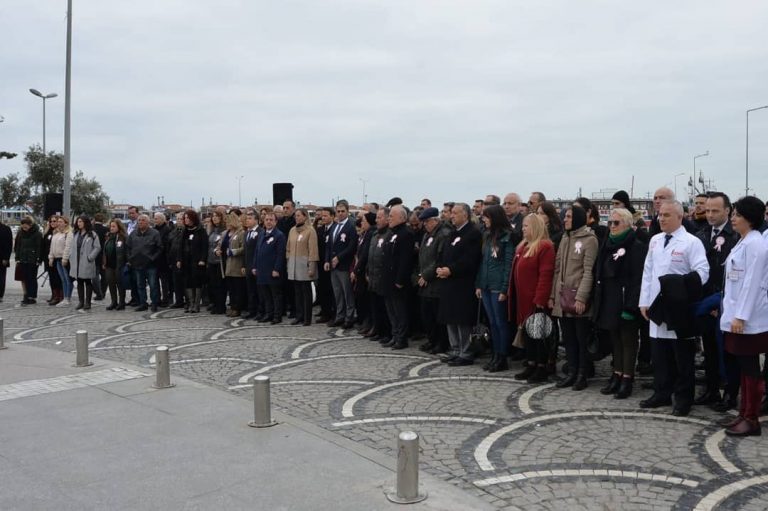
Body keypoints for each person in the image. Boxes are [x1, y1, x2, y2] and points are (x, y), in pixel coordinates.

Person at [639, 200, 709, 416]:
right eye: (660, 215)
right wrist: (644, 300)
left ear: (680, 217)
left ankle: (683, 398)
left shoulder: (691, 242)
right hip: (656, 306)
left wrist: (681, 286)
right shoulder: (655, 240)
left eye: (667, 215)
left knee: (682, 358)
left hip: (678, 307)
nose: (661, 219)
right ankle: (661, 392)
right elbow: (648, 271)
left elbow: (703, 272)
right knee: (659, 355)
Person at [719, 196, 768, 436]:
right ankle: (743, 411)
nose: (733, 218)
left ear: (748, 218)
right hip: (736, 315)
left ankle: (752, 418)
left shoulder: (756, 245)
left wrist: (741, 316)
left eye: (737, 215)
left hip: (748, 319)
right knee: (742, 366)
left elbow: (752, 283)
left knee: (750, 369)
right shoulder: (743, 242)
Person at [593, 208, 647, 399]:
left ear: (627, 224)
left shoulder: (636, 246)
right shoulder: (608, 244)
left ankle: (627, 378)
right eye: (610, 223)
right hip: (610, 299)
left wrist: (631, 306)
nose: (612, 226)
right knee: (615, 339)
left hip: (626, 301)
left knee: (628, 341)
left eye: (616, 223)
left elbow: (638, 278)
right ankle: (616, 374)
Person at [694, 192, 739, 408]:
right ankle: (711, 389)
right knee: (709, 349)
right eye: (708, 210)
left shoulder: (736, 236)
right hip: (705, 302)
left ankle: (730, 393)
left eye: (715, 211)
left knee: (729, 352)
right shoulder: (702, 234)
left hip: (725, 302)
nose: (710, 215)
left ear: (727, 211)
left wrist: (721, 303)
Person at [550, 206, 599, 390]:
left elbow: (588, 272)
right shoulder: (565, 237)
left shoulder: (589, 240)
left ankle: (582, 374)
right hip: (563, 298)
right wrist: (552, 296)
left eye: (569, 217)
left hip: (577, 298)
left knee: (581, 339)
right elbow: (557, 269)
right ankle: (571, 372)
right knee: (569, 338)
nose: (565, 220)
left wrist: (582, 297)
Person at [510, 214, 556, 381]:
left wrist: (540, 299)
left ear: (536, 227)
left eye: (526, 226)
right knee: (527, 334)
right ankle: (531, 364)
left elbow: (546, 275)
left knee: (538, 335)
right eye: (523, 226)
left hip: (535, 299)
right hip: (522, 298)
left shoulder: (545, 246)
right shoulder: (523, 246)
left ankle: (541, 367)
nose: (523, 229)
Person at [437, 203, 482, 366]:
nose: (452, 216)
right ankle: (455, 349)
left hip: (463, 283)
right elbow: (444, 254)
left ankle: (466, 351)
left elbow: (470, 260)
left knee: (462, 319)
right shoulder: (452, 233)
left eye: (456, 213)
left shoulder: (473, 233)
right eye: (452, 213)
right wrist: (441, 268)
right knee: (450, 317)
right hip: (448, 283)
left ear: (465, 215)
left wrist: (451, 269)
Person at [475, 205, 514, 372]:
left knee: (500, 323)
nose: (484, 220)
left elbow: (508, 265)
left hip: (498, 286)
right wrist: (479, 283)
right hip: (486, 285)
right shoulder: (488, 236)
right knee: (492, 323)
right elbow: (483, 262)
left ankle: (502, 356)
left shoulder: (507, 237)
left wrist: (505, 289)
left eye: (487, 217)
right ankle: (495, 354)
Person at [416, 207, 451, 354]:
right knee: (427, 316)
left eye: (427, 221)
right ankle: (432, 340)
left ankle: (441, 343)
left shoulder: (443, 234)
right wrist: (420, 275)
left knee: (438, 317)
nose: (425, 224)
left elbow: (439, 259)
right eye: (424, 222)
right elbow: (423, 257)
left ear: (435, 220)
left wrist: (426, 275)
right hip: (425, 283)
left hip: (436, 282)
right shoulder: (427, 235)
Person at [380, 205, 415, 349]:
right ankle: (395, 335)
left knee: (399, 311)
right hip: (388, 278)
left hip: (398, 280)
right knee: (391, 310)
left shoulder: (406, 234)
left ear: (401, 218)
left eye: (391, 216)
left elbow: (405, 260)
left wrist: (400, 280)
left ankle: (401, 338)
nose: (389, 218)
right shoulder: (391, 233)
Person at [325, 200, 358, 329]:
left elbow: (351, 246)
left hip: (344, 265)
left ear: (347, 211)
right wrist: (327, 260)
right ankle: (340, 315)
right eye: (338, 211)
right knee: (337, 292)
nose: (340, 214)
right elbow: (329, 245)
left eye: (343, 211)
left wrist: (339, 257)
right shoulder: (334, 226)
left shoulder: (351, 226)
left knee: (347, 292)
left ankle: (349, 317)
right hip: (333, 266)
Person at [286, 208, 318, 326]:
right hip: (294, 265)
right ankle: (299, 315)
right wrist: (288, 262)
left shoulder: (310, 231)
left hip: (305, 266)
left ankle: (307, 317)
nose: (297, 218)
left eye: (299, 215)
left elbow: (313, 250)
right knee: (297, 292)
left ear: (305, 217)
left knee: (306, 292)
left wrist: (312, 266)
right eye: (296, 216)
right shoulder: (292, 230)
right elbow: (288, 248)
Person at [254, 211, 286, 323]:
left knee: (275, 295)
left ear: (276, 222)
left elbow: (280, 254)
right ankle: (268, 314)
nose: (268, 222)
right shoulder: (261, 234)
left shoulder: (279, 235)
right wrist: (255, 266)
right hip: (262, 270)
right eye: (267, 219)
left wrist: (276, 269)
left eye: (271, 220)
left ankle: (277, 316)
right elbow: (257, 251)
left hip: (272, 270)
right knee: (265, 295)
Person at [127, 214, 162, 312]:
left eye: (143, 220)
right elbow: (128, 247)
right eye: (139, 220)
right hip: (137, 264)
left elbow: (159, 248)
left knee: (153, 285)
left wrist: (153, 258)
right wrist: (130, 258)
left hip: (151, 265)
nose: (140, 222)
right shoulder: (133, 233)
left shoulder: (155, 233)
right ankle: (143, 303)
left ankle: (154, 303)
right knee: (140, 285)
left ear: (148, 222)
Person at [367, 208, 392, 344]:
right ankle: (379, 330)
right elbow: (370, 255)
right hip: (372, 276)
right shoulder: (375, 235)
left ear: (387, 218)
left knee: (384, 308)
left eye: (379, 217)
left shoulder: (389, 235)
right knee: (375, 306)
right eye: (376, 218)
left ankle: (387, 333)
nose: (376, 220)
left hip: (382, 277)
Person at [178, 209, 207, 313]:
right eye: (184, 218)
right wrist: (179, 259)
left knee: (197, 282)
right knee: (188, 282)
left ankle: (196, 304)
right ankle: (190, 302)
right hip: (186, 261)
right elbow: (180, 247)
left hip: (197, 260)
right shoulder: (184, 231)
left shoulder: (200, 230)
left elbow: (204, 246)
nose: (186, 220)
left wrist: (203, 259)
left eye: (187, 218)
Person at [69, 215, 101, 311]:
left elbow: (97, 247)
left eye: (81, 222)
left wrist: (90, 257)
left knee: (87, 281)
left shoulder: (92, 234)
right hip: (76, 261)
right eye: (78, 222)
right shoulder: (76, 233)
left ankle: (88, 302)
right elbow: (72, 246)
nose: (79, 223)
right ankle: (81, 302)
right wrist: (71, 256)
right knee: (79, 282)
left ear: (86, 222)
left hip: (86, 261)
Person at [351, 211, 376, 333]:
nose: (361, 223)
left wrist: (356, 270)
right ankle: (365, 322)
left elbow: (365, 254)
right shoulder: (365, 234)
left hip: (365, 272)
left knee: (366, 299)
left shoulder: (371, 234)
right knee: (361, 298)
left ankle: (369, 323)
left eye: (364, 221)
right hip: (360, 271)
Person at [219, 212, 246, 317]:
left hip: (236, 264)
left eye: (229, 221)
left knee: (237, 288)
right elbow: (221, 244)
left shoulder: (241, 233)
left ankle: (237, 308)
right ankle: (232, 306)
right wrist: (218, 250)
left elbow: (244, 248)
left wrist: (234, 251)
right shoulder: (226, 233)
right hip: (227, 264)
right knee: (231, 288)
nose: (227, 223)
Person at [15, 217, 42, 305]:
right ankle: (26, 295)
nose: (24, 228)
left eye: (25, 226)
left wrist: (38, 259)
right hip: (22, 259)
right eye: (22, 226)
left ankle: (32, 296)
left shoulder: (37, 234)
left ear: (30, 225)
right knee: (24, 278)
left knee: (32, 278)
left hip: (32, 259)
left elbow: (39, 247)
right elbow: (17, 246)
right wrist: (17, 257)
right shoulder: (20, 233)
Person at [315, 207, 335, 322]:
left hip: (331, 263)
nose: (323, 218)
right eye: (322, 216)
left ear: (332, 216)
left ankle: (332, 312)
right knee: (322, 288)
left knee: (331, 289)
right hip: (321, 263)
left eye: (326, 216)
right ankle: (324, 311)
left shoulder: (335, 228)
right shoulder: (320, 230)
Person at [103, 219, 128, 310]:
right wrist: (104, 262)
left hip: (119, 264)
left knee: (120, 284)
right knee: (111, 284)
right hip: (109, 265)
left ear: (119, 227)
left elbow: (126, 251)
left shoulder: (123, 237)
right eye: (111, 226)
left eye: (114, 226)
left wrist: (126, 262)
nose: (111, 228)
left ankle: (122, 302)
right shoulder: (108, 237)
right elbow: (105, 250)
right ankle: (114, 301)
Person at [49, 216, 74, 307]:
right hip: (57, 259)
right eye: (58, 222)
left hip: (64, 259)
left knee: (68, 279)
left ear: (66, 223)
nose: (58, 223)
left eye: (60, 221)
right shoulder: (56, 234)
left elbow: (68, 247)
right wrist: (51, 258)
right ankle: (65, 297)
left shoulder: (69, 233)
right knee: (63, 279)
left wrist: (65, 258)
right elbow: (52, 247)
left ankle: (68, 298)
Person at [206, 210, 227, 314]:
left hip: (220, 262)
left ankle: (221, 305)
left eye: (217, 216)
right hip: (211, 261)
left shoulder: (224, 230)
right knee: (212, 284)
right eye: (213, 216)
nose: (214, 218)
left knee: (220, 285)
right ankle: (214, 304)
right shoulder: (212, 230)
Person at [40, 215, 63, 305]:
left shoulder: (59, 233)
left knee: (58, 278)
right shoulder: (47, 232)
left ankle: (60, 296)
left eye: (54, 221)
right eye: (51, 221)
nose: (52, 223)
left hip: (56, 258)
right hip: (48, 259)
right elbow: (43, 246)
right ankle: (54, 295)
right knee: (52, 278)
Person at [243, 210, 261, 319]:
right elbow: (246, 251)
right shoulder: (246, 233)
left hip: (257, 266)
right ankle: (252, 310)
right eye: (247, 219)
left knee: (259, 291)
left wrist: (256, 266)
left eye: (250, 218)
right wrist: (244, 265)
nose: (247, 221)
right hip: (248, 265)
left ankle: (260, 310)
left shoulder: (260, 232)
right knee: (250, 290)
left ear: (256, 220)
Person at [153, 212, 172, 307]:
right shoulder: (153, 229)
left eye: (156, 218)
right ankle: (156, 299)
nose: (154, 220)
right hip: (154, 260)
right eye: (154, 218)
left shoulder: (167, 229)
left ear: (162, 219)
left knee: (164, 282)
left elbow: (165, 244)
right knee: (155, 281)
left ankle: (166, 299)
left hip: (164, 259)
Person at [91, 213, 108, 300]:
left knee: (95, 276)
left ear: (94, 219)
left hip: (94, 255)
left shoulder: (91, 229)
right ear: (103, 220)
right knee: (104, 276)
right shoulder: (106, 229)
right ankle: (103, 292)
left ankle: (98, 293)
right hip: (104, 255)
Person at [0, 217, 10, 303]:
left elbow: (9, 245)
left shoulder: (6, 229)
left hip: (2, 258)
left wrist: (6, 258)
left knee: (1, 277)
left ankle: (0, 295)